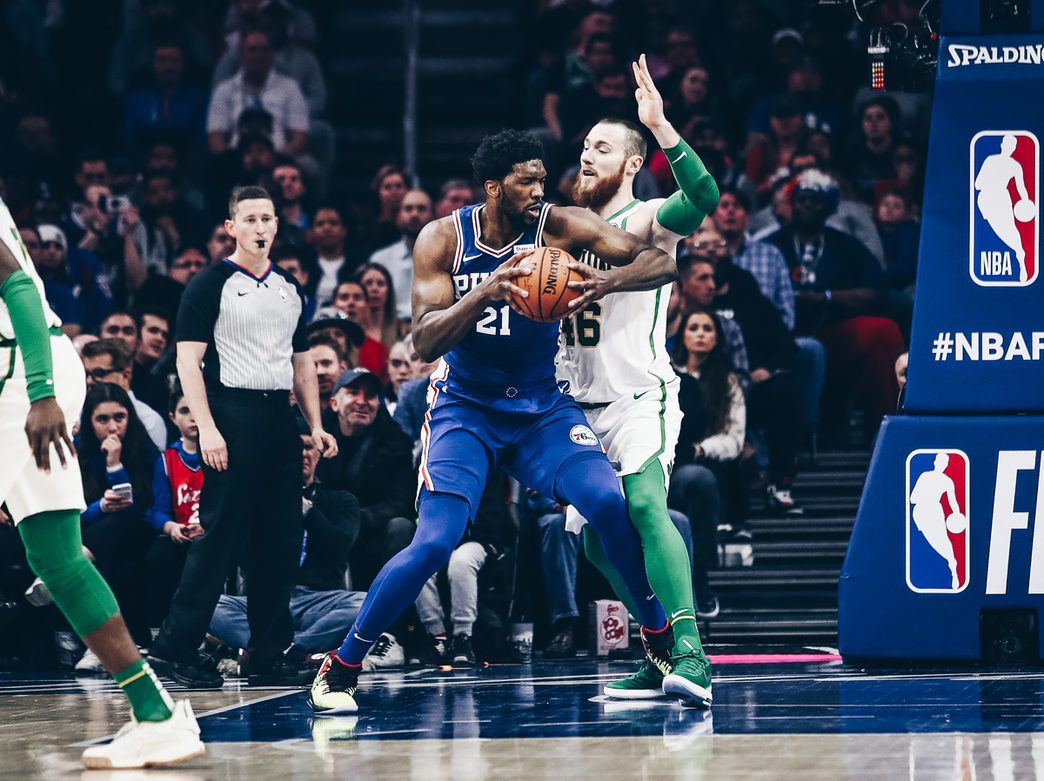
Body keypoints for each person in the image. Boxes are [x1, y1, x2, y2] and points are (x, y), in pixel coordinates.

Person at [308, 128, 677, 716]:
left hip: (539, 406)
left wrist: (607, 280)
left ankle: (660, 640)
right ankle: (342, 664)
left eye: (540, 177)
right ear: (492, 187)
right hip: (466, 407)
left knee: (607, 500)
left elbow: (659, 261)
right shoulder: (442, 240)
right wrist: (486, 292)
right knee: (434, 541)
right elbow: (424, 340)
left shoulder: (560, 225)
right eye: (525, 181)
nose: (538, 189)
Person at [0, 197, 203, 767]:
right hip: (33, 372)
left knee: (58, 558)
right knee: (58, 559)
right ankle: (157, 716)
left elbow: (16, 286)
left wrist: (40, 393)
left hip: (22, 379)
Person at [556, 55, 717, 705]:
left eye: (602, 146)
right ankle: (656, 651)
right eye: (584, 145)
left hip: (636, 395)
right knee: (597, 539)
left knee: (648, 505)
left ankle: (693, 655)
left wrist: (662, 127)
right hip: (577, 409)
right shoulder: (559, 236)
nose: (587, 153)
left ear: (630, 162)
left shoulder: (646, 218)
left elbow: (703, 199)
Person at [148, 186, 337, 689]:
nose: (259, 227)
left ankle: (270, 650)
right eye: (249, 218)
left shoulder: (289, 286)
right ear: (231, 227)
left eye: (267, 218)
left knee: (277, 539)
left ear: (277, 225)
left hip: (280, 417)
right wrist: (208, 427)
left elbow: (301, 363)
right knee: (219, 538)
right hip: (231, 412)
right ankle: (173, 648)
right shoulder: (209, 284)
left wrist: (315, 426)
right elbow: (188, 361)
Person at [210, 417, 366, 658]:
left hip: (318, 600)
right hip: (266, 597)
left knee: (364, 604)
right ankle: (282, 650)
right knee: (210, 604)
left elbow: (340, 545)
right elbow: (241, 555)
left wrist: (306, 510)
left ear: (318, 453)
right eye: (294, 448)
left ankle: (286, 649)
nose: (302, 454)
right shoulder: (258, 501)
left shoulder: (342, 500)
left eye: (307, 447)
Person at [75, 383, 162, 654]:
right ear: (89, 422)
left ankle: (72, 563)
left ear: (130, 417)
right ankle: (118, 645)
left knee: (119, 524)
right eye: (102, 419)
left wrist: (115, 465)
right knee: (113, 548)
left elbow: (140, 509)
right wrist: (100, 507)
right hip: (96, 532)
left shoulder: (143, 448)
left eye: (119, 417)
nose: (112, 427)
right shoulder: (77, 451)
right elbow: (74, 514)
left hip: (139, 530)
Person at [671, 308, 746, 617]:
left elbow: (734, 438)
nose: (700, 334)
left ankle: (699, 578)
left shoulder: (726, 381)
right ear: (683, 335)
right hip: (664, 460)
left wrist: (702, 449)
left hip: (703, 466)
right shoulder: (663, 372)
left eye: (707, 328)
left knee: (701, 480)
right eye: (693, 327)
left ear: (717, 338)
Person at [143, 385, 204, 634]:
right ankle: (159, 630)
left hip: (212, 533)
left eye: (198, 409)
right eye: (185, 410)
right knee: (157, 557)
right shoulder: (167, 459)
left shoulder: (222, 454)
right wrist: (171, 527)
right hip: (179, 533)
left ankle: (208, 632)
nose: (193, 416)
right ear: (172, 417)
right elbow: (156, 510)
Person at [80, 339, 168, 451]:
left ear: (125, 376)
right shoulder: (78, 415)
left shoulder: (150, 421)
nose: (89, 381)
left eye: (99, 373)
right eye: (86, 374)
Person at [367, 189, 433, 321]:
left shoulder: (448, 257)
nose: (414, 214)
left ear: (433, 215)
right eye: (408, 209)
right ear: (398, 216)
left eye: (421, 209)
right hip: (390, 330)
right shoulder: (380, 259)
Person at [354, 262, 399, 348]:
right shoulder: (348, 330)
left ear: (389, 291)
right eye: (368, 283)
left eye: (380, 284)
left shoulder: (403, 330)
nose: (375, 288)